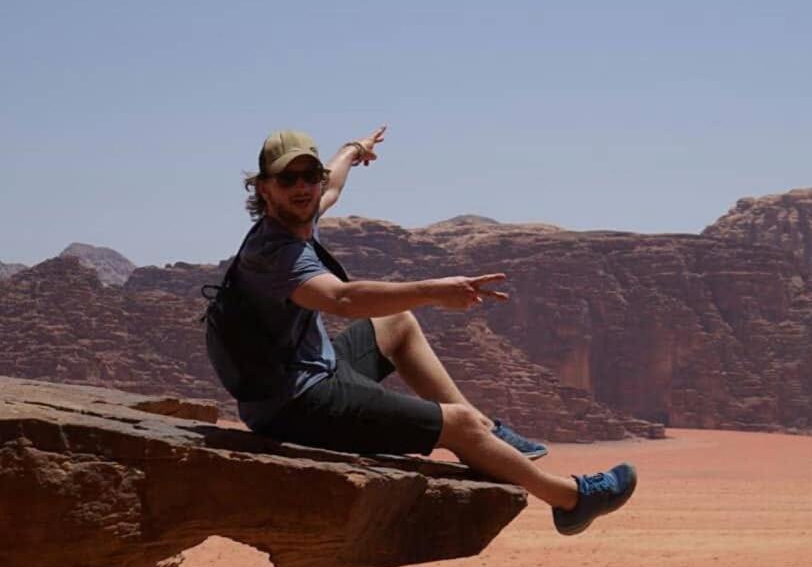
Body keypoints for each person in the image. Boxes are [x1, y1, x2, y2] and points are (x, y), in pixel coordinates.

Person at [232, 126, 636, 535]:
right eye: (287, 179)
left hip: (309, 372)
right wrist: (433, 291)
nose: (302, 187)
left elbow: (333, 182)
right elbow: (342, 300)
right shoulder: (274, 253)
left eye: (308, 177)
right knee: (456, 424)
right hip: (295, 404)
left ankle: (487, 433)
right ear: (264, 189)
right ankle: (571, 499)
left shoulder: (301, 214)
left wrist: (354, 150)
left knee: (396, 324)